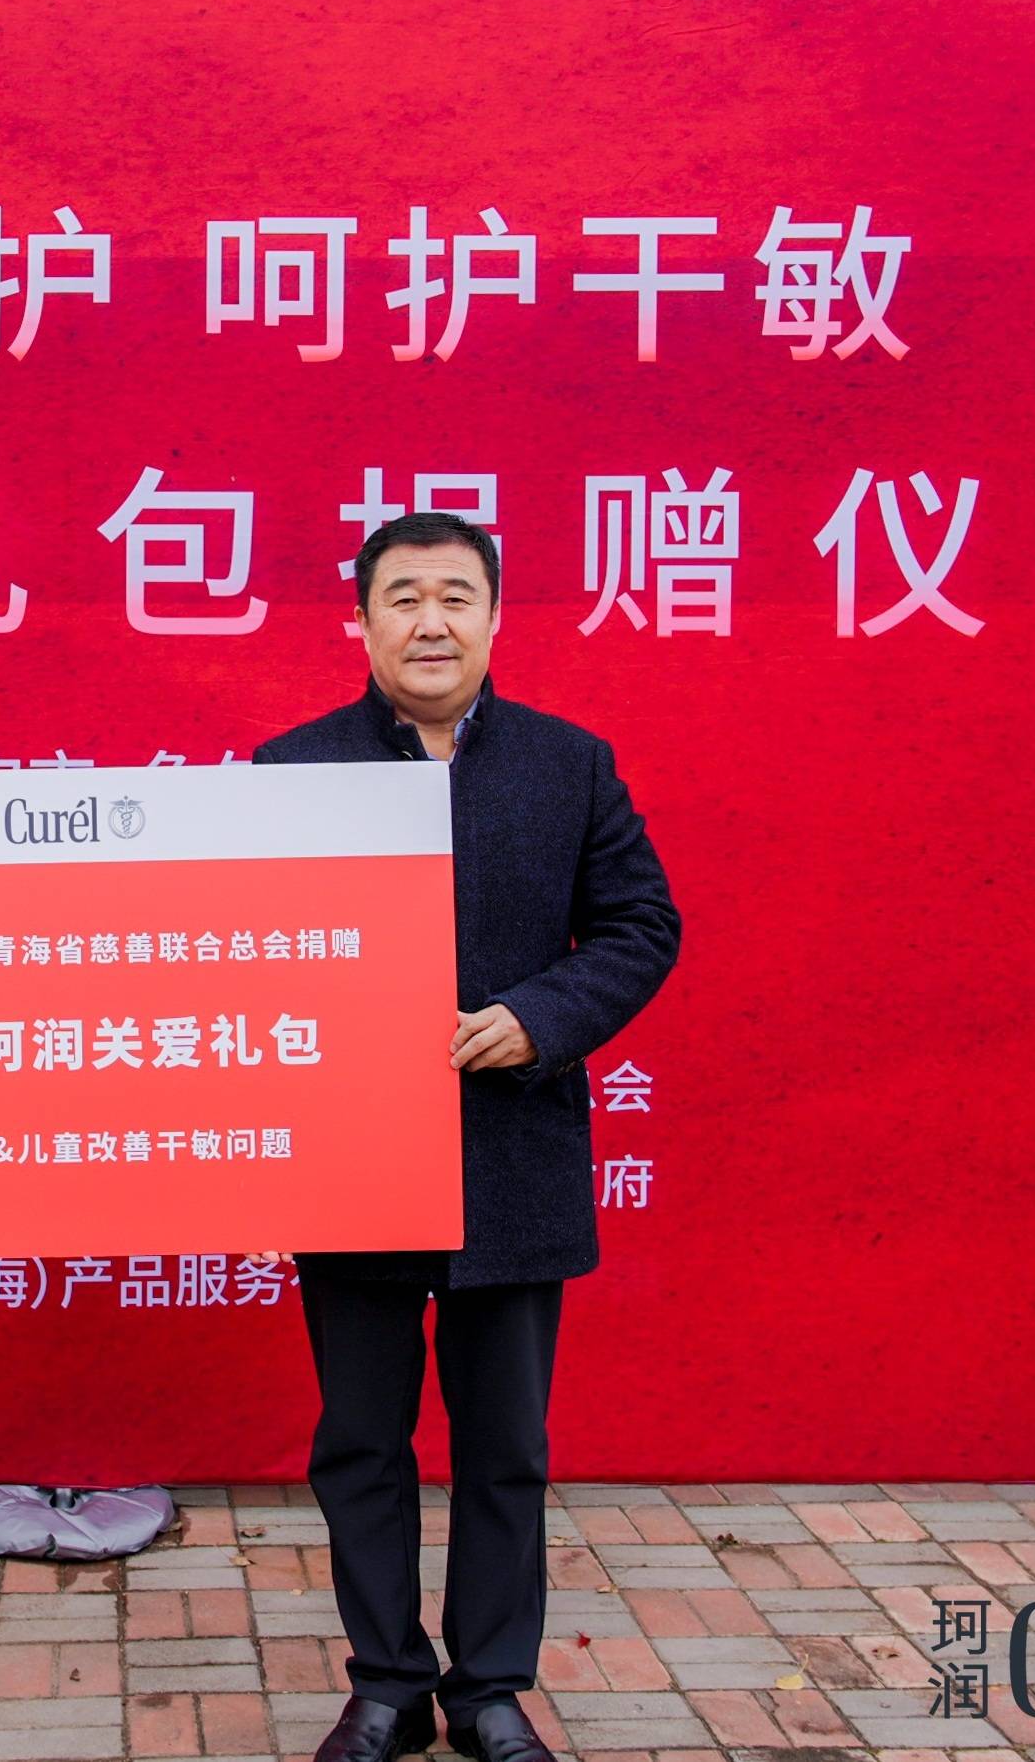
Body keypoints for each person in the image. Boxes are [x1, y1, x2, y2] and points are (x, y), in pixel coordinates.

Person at [254, 513, 681, 1762]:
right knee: (361, 1443)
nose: (430, 621)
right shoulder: (291, 771)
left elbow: (640, 927)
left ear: (494, 618)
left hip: (513, 1153)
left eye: (455, 596)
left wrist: (541, 1016)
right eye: (403, 598)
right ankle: (386, 1683)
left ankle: (490, 1686)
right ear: (360, 622)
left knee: (505, 1448)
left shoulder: (569, 764)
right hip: (353, 1165)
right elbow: (245, 952)